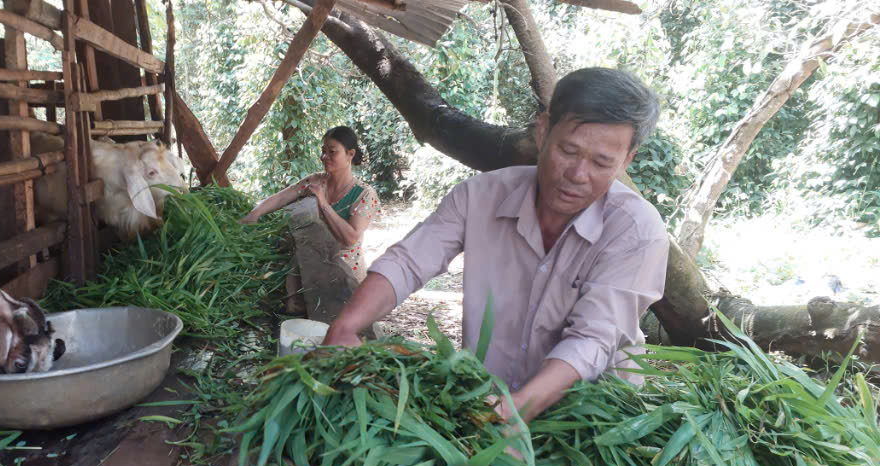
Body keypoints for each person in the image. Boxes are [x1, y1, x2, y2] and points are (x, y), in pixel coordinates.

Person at [322, 67, 670, 424]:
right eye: (569, 150)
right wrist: (345, 327)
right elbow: (409, 261)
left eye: (601, 163)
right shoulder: (480, 196)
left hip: (588, 424)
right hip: (486, 401)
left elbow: (594, 338)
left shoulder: (637, 231)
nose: (578, 175)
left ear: (627, 159)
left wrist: (517, 408)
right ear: (543, 130)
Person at [241, 126, 382, 314]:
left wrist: (323, 203)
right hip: (310, 264)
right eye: (323, 151)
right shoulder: (317, 181)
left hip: (342, 271)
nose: (324, 157)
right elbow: (282, 197)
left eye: (332, 152)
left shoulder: (364, 194)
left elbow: (350, 238)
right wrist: (254, 214)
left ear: (350, 154)